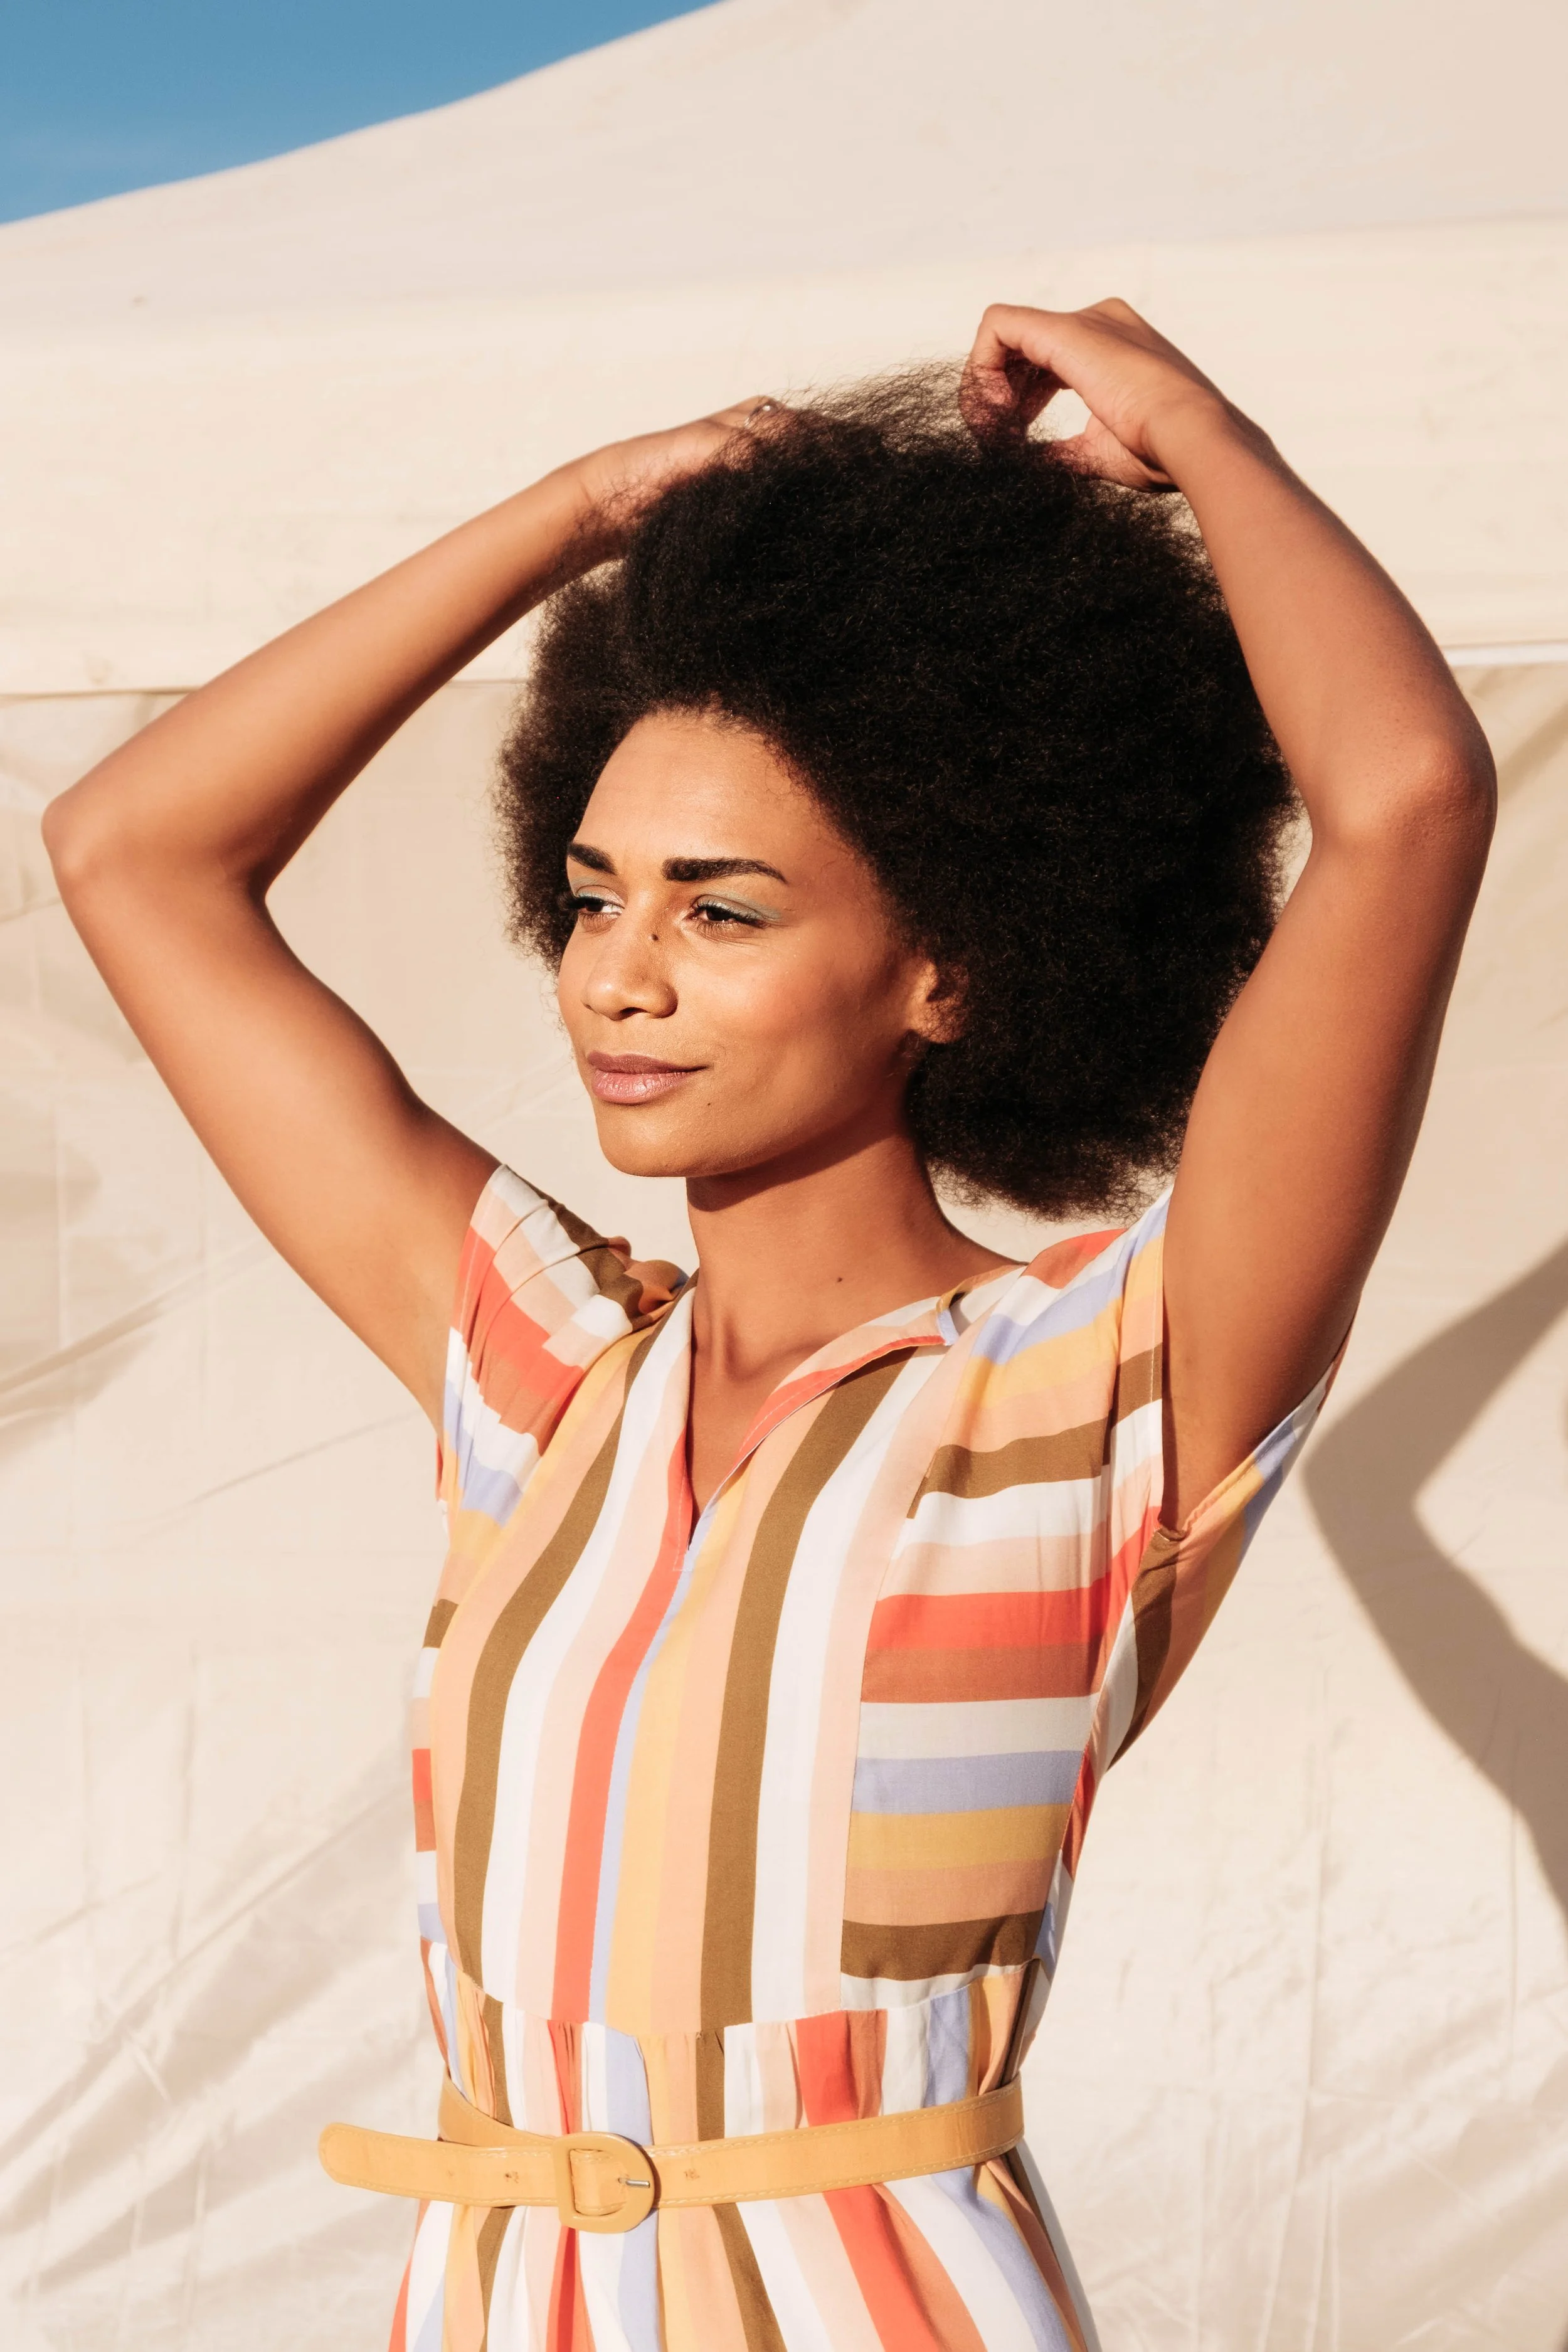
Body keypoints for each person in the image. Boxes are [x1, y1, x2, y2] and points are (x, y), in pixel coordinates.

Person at [43, 301, 1495, 2352]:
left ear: (953, 970)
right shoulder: (541, 1374)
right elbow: (133, 851)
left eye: (720, 909)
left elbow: (1406, 801)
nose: (615, 977)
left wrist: (1196, 431)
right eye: (590, 890)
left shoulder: (1095, 1398)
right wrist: (585, 518)